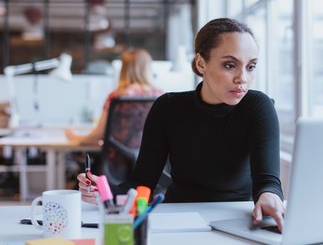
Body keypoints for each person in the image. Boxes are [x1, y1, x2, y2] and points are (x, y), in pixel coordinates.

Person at [78, 18, 285, 231]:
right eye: (230, 65)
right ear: (200, 63)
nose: (242, 78)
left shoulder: (257, 106)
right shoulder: (167, 108)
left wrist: (269, 196)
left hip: (237, 215)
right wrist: (104, 191)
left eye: (251, 66)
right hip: (179, 215)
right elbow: (143, 182)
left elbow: (267, 181)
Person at [65, 48, 163, 145]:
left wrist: (72, 136)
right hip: (152, 159)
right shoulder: (160, 97)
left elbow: (96, 138)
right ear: (148, 68)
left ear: (124, 70)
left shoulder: (117, 96)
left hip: (119, 159)